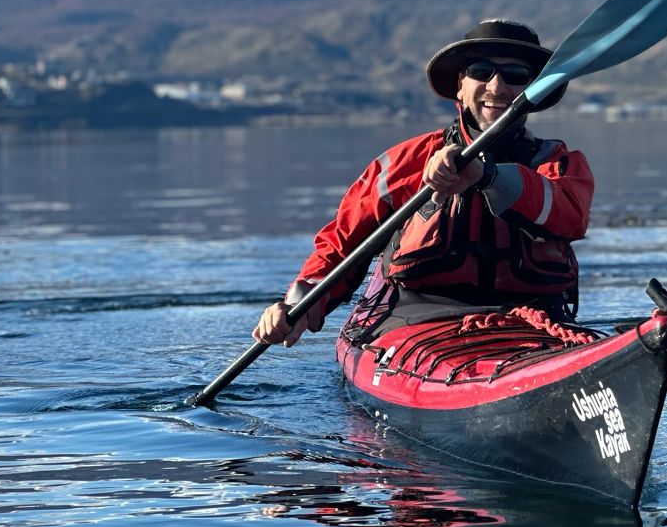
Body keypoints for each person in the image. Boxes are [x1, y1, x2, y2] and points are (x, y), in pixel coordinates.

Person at [253, 19, 594, 348]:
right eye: (480, 73)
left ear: (534, 90)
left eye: (516, 75)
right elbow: (341, 247)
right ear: (460, 86)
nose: (497, 87)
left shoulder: (560, 164)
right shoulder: (403, 163)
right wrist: (298, 303)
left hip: (537, 320)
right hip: (416, 323)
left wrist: (486, 175)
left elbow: (569, 215)